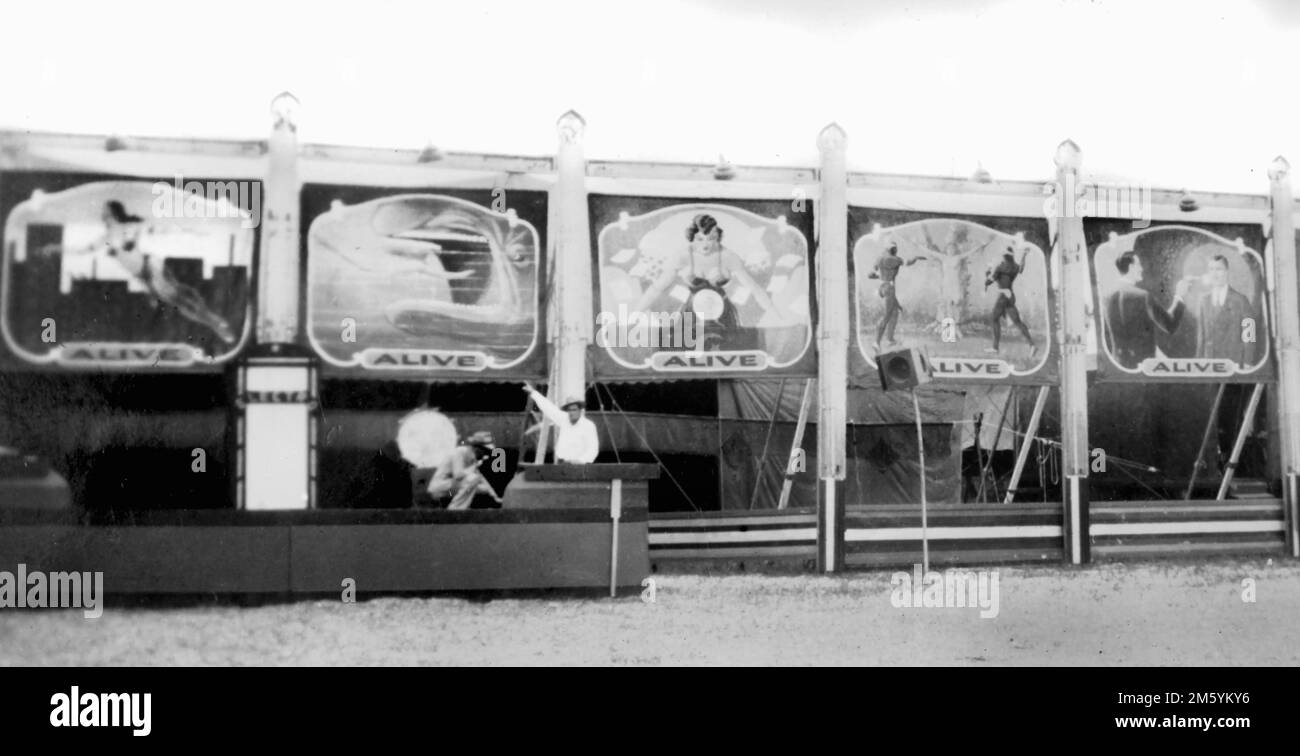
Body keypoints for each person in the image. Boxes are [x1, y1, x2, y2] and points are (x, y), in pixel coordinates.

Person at [633, 214, 795, 351]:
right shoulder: (681, 256)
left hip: (723, 315)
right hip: (691, 315)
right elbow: (656, 288)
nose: (705, 244)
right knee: (686, 350)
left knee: (727, 349)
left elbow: (755, 289)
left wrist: (776, 315)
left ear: (718, 237)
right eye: (700, 239)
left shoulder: (728, 256)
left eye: (711, 238)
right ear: (692, 238)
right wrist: (635, 313)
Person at [97, 201, 238, 344]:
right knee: (179, 295)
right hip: (144, 274)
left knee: (177, 298)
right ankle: (215, 321)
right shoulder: (106, 237)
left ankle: (215, 322)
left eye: (105, 212)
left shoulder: (126, 228)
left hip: (150, 266)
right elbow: (90, 248)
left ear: (112, 214)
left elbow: (148, 231)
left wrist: (188, 232)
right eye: (103, 212)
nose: (102, 215)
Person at [1102, 251, 1190, 369]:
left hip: (1119, 365)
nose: (1142, 269)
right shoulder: (1143, 296)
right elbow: (1170, 325)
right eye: (1139, 264)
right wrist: (1179, 296)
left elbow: (1132, 333)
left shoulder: (1106, 296)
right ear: (1131, 267)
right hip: (1143, 367)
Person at [1195, 254, 1258, 365]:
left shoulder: (1241, 300)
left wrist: (1248, 362)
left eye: (1219, 269)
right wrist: (1198, 362)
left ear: (1227, 272)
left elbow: (1250, 335)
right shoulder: (1204, 301)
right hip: (1209, 364)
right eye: (1211, 269)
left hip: (1234, 364)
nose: (1215, 274)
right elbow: (1202, 336)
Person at [522, 382, 599, 463]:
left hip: (579, 466)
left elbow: (593, 449)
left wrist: (580, 460)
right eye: (569, 410)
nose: (571, 413)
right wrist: (533, 393)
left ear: (580, 411)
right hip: (560, 464)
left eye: (574, 410)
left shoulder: (588, 426)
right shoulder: (564, 419)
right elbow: (549, 408)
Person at [426, 431, 503, 509]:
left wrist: (494, 496)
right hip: (439, 489)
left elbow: (481, 479)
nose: (486, 454)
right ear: (477, 448)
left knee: (482, 487)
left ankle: (464, 507)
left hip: (451, 489)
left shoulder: (473, 458)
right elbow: (458, 475)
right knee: (472, 479)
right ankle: (455, 509)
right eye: (485, 451)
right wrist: (473, 467)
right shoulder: (459, 452)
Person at [984, 245, 1037, 357]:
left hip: (1003, 295)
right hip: (1010, 295)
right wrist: (1024, 255)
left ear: (1004, 256)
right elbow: (1021, 268)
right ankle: (1032, 344)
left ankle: (995, 347)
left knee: (994, 318)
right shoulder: (1014, 267)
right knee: (1017, 322)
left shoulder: (1001, 267)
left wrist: (988, 272)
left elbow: (988, 282)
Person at [867, 240, 921, 351]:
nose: (896, 250)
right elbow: (908, 262)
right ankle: (876, 342)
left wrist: (881, 277)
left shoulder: (879, 258)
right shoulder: (895, 259)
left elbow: (870, 274)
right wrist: (916, 258)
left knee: (894, 312)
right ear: (893, 249)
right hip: (889, 288)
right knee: (886, 316)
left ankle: (890, 339)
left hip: (882, 287)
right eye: (895, 248)